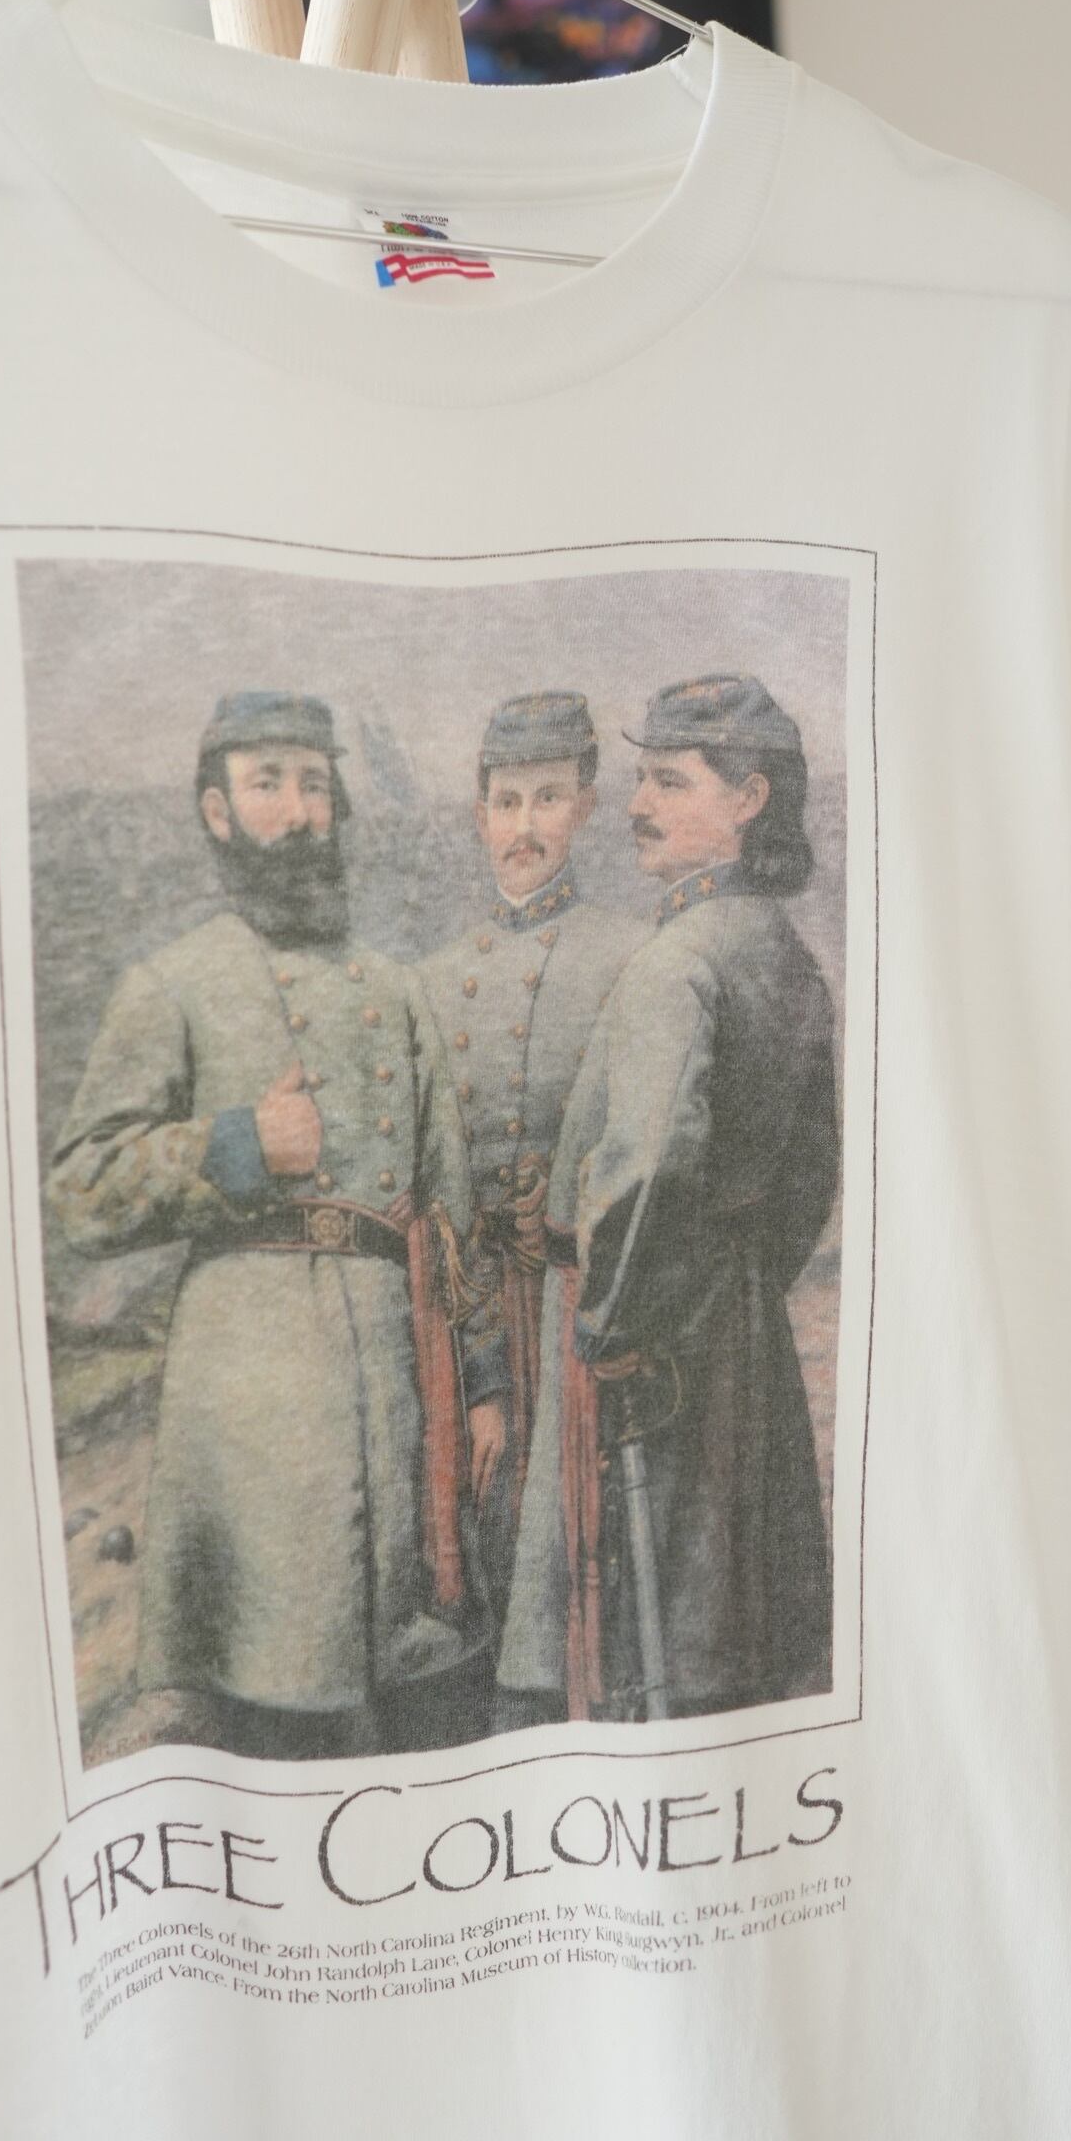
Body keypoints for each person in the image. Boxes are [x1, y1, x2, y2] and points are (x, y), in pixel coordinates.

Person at [47, 691, 493, 1759]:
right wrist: (242, 1143)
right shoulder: (173, 985)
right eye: (267, 785)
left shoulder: (396, 991)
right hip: (249, 1404)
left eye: (313, 785)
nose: (296, 812)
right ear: (217, 811)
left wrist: (482, 1387)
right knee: (272, 1700)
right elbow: (80, 1188)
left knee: (419, 1684)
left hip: (396, 1388)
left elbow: (449, 1213)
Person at [500, 674, 840, 1721]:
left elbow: (647, 1168)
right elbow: (809, 1176)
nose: (638, 805)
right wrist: (737, 1286)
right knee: (733, 1619)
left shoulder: (676, 964)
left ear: (749, 800)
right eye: (641, 781)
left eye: (669, 782)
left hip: (643, 1340)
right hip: (735, 1325)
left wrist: (610, 1325)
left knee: (632, 1635)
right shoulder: (783, 954)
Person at [418, 693, 642, 1670]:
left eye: (548, 799)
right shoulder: (434, 980)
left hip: (574, 1295)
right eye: (506, 802)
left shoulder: (630, 956)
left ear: (585, 806)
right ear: (479, 816)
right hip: (472, 1308)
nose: (524, 826)